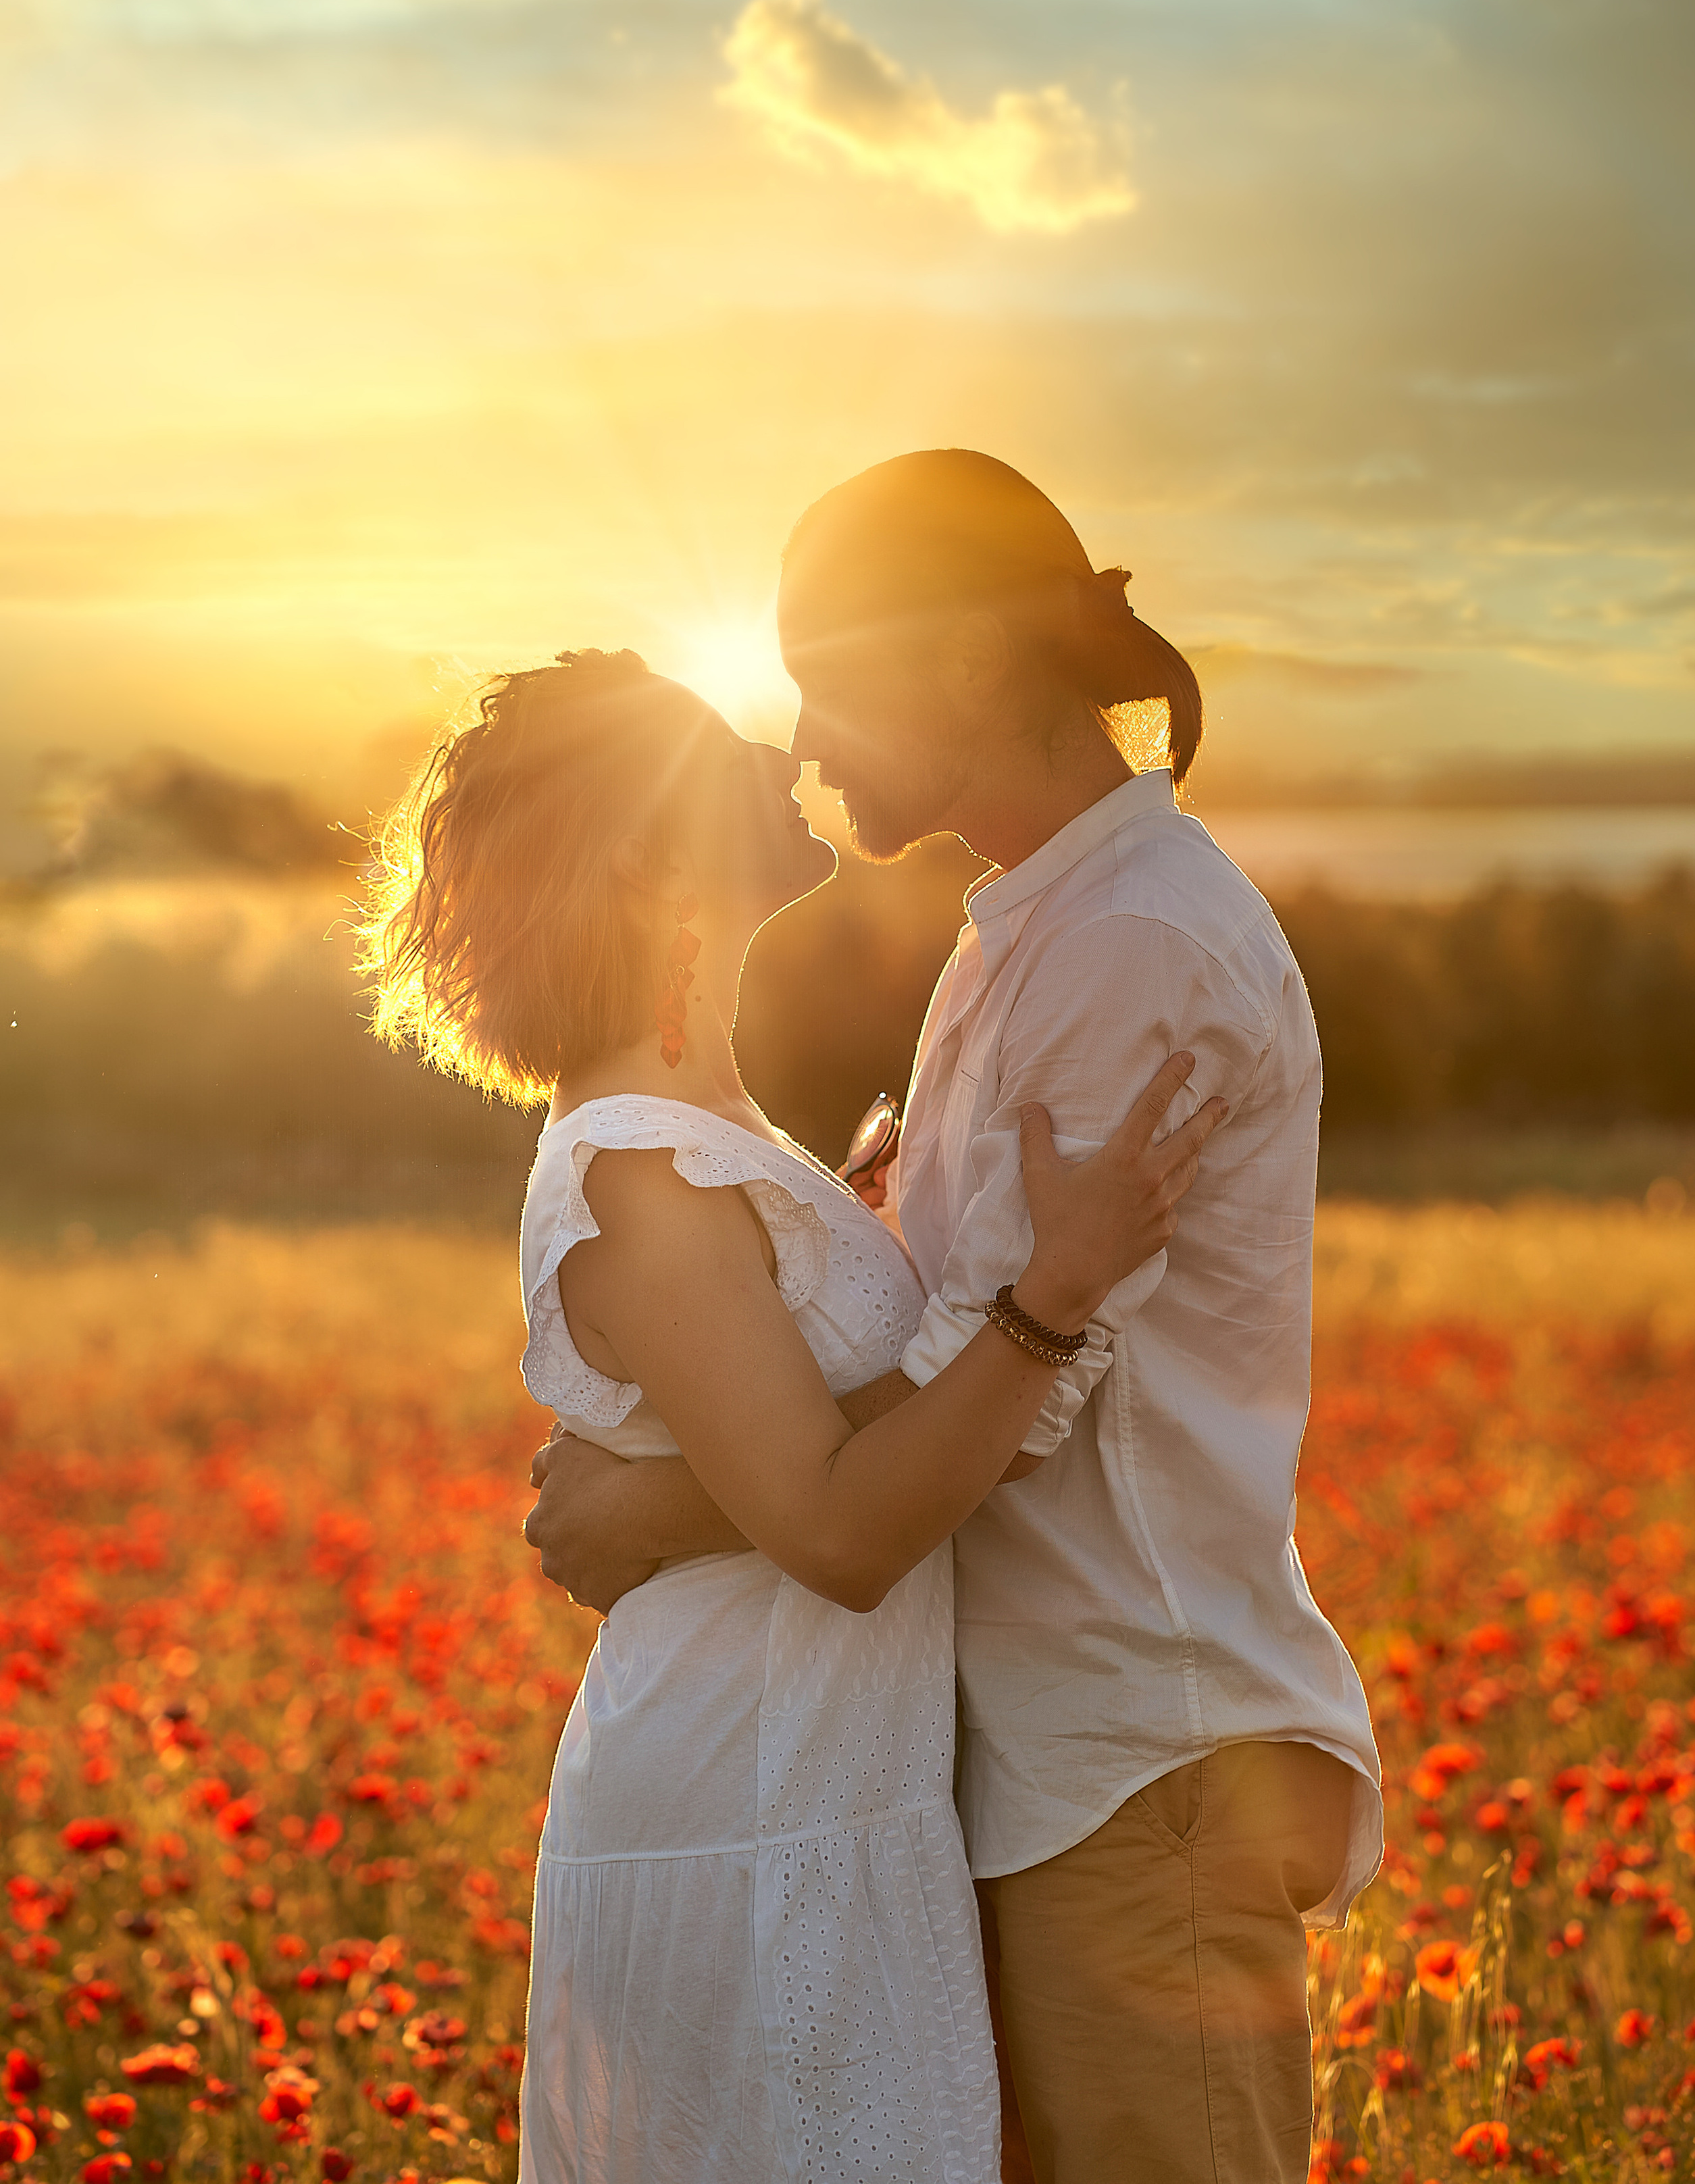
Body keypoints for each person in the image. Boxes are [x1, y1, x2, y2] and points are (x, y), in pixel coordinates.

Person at [526, 450, 1384, 2184]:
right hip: (1026, 1759)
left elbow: (1002, 1396)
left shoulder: (1128, 945)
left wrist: (650, 1507)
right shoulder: (1023, 937)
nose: (804, 741)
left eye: (831, 679)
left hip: (1130, 1756)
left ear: (972, 664)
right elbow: (962, 1342)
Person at [362, 645, 1225, 2184]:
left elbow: (782, 1421)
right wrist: (1056, 1286)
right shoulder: (639, 1166)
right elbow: (833, 1531)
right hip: (751, 1807)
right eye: (719, 750)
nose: (777, 754)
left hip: (822, 1787)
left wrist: (865, 1229)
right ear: (644, 855)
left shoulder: (707, 1138)